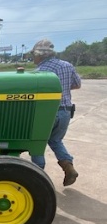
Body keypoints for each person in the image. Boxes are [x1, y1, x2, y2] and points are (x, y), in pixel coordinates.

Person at [30, 39, 81, 186]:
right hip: (65, 111)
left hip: (46, 113)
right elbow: (77, 85)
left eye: (34, 55)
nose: (33, 58)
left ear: (40, 55)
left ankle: (36, 177)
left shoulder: (40, 72)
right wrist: (61, 89)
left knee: (36, 143)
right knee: (55, 140)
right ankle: (69, 168)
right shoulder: (67, 66)